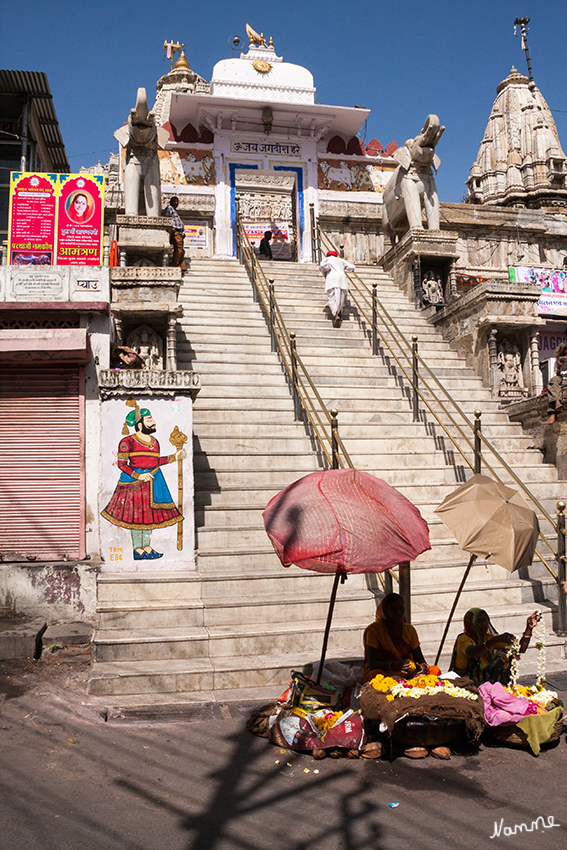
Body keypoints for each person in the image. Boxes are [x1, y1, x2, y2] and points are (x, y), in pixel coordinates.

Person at [101, 402, 185, 560]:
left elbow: (155, 461)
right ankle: (137, 549)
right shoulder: (127, 442)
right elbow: (122, 464)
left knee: (149, 517)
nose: (153, 422)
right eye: (149, 420)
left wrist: (175, 457)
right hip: (133, 484)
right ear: (139, 424)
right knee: (136, 517)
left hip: (154, 481)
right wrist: (138, 476)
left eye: (152, 419)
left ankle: (146, 546)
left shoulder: (155, 442)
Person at [449, 608, 541, 686]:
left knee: (506, 654)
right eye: (479, 621)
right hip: (464, 681)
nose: (483, 624)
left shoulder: (488, 637)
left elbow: (519, 649)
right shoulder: (463, 638)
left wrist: (529, 629)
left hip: (484, 680)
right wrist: (494, 641)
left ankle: (497, 686)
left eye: (485, 620)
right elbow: (472, 652)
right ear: (471, 623)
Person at [362, 592, 428, 685]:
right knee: (376, 676)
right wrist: (392, 665)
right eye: (393, 609)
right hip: (384, 671)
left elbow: (419, 658)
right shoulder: (374, 631)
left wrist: (423, 667)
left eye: (401, 608)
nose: (398, 612)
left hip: (406, 671)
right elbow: (372, 663)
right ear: (385, 610)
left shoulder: (409, 630)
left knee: (433, 671)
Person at [319, 250, 355, 327]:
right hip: (341, 279)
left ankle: (335, 314)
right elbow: (351, 267)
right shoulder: (340, 260)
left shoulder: (327, 259)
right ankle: (339, 312)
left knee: (332, 297)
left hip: (331, 279)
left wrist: (324, 274)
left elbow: (322, 267)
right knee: (341, 297)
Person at [163, 196, 187, 273]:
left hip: (179, 232)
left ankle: (182, 267)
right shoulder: (169, 208)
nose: (176, 203)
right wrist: (171, 231)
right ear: (171, 202)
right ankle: (175, 266)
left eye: (177, 202)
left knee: (181, 250)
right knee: (179, 250)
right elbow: (167, 220)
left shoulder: (174, 210)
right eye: (174, 201)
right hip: (175, 231)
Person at [545, 343, 567, 424]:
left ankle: (553, 415)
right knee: (553, 382)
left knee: (554, 390)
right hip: (562, 380)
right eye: (564, 354)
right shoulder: (556, 362)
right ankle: (557, 402)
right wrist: (559, 366)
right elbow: (557, 376)